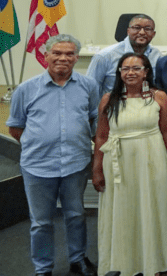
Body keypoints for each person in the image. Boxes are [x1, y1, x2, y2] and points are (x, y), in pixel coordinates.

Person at [6, 34, 99, 276]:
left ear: (76, 58)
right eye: (57, 53)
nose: (63, 58)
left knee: (77, 215)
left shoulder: (88, 86)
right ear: (46, 55)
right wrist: (39, 143)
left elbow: (93, 120)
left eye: (69, 54)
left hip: (75, 164)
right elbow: (16, 127)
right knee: (41, 222)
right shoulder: (26, 90)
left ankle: (78, 260)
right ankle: (43, 268)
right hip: (37, 167)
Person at [92, 52, 167, 276]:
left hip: (152, 158)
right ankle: (124, 261)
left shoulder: (159, 97)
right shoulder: (108, 99)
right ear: (119, 73)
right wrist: (96, 168)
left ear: (146, 72)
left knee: (152, 206)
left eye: (136, 68)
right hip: (118, 161)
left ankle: (155, 260)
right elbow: (101, 136)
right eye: (125, 69)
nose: (130, 73)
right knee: (123, 208)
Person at [87, 14, 161, 96]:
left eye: (147, 29)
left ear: (153, 34)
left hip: (148, 105)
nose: (142, 32)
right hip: (113, 105)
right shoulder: (104, 56)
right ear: (128, 31)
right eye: (137, 28)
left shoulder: (157, 55)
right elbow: (90, 89)